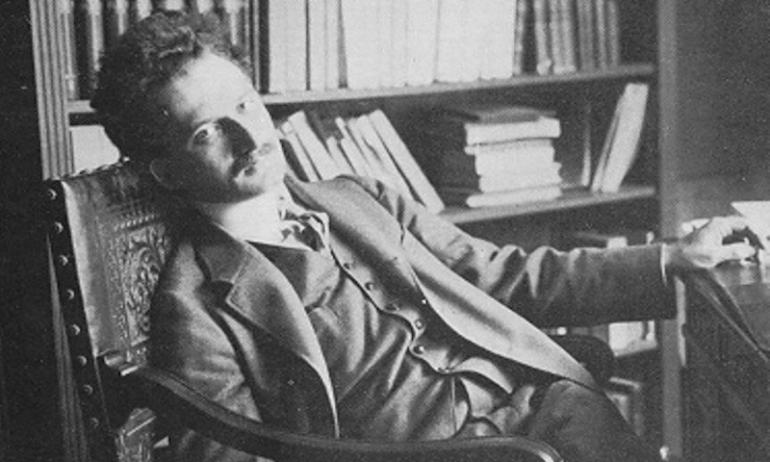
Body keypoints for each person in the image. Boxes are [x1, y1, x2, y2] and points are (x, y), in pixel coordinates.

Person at [91, 11, 764, 462]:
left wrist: (671, 259)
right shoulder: (195, 304)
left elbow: (500, 275)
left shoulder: (359, 198)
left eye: (245, 104)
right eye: (208, 132)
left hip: (537, 408)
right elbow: (232, 452)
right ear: (165, 171)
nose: (249, 136)